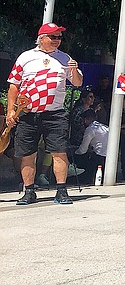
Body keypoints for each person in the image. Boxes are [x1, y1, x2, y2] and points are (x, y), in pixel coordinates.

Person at [5, 23, 83, 205]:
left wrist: (73, 70)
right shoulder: (26, 57)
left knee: (59, 152)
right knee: (27, 154)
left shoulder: (65, 58)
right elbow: (14, 85)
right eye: (53, 37)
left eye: (59, 37)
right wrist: (10, 110)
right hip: (28, 112)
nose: (57, 40)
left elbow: (78, 83)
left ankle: (62, 191)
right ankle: (29, 191)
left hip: (55, 114)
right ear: (42, 38)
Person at [73, 108, 108, 178]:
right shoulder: (105, 127)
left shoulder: (90, 129)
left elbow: (83, 150)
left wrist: (74, 152)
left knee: (76, 157)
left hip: (99, 158)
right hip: (109, 157)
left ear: (85, 120)